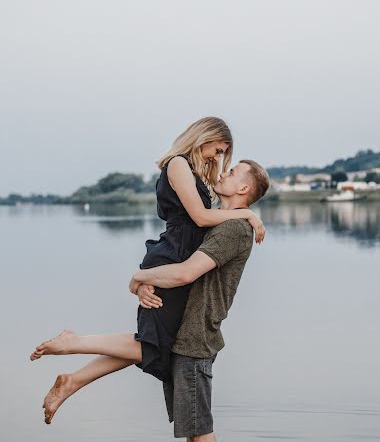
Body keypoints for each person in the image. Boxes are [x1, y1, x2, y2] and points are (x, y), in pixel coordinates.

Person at [30, 159, 270, 442]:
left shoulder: (233, 230)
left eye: (233, 170)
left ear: (243, 191)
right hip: (182, 328)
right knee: (189, 423)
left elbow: (188, 271)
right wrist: (148, 283)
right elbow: (180, 258)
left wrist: (139, 276)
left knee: (201, 431)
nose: (223, 171)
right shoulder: (219, 223)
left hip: (195, 337)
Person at [31, 117, 265, 387]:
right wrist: (247, 214)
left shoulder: (193, 171)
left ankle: (74, 379)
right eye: (219, 150)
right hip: (174, 257)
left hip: (180, 257)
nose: (218, 158)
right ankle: (74, 344)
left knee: (154, 342)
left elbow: (206, 218)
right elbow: (200, 218)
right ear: (205, 137)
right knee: (157, 346)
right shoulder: (178, 163)